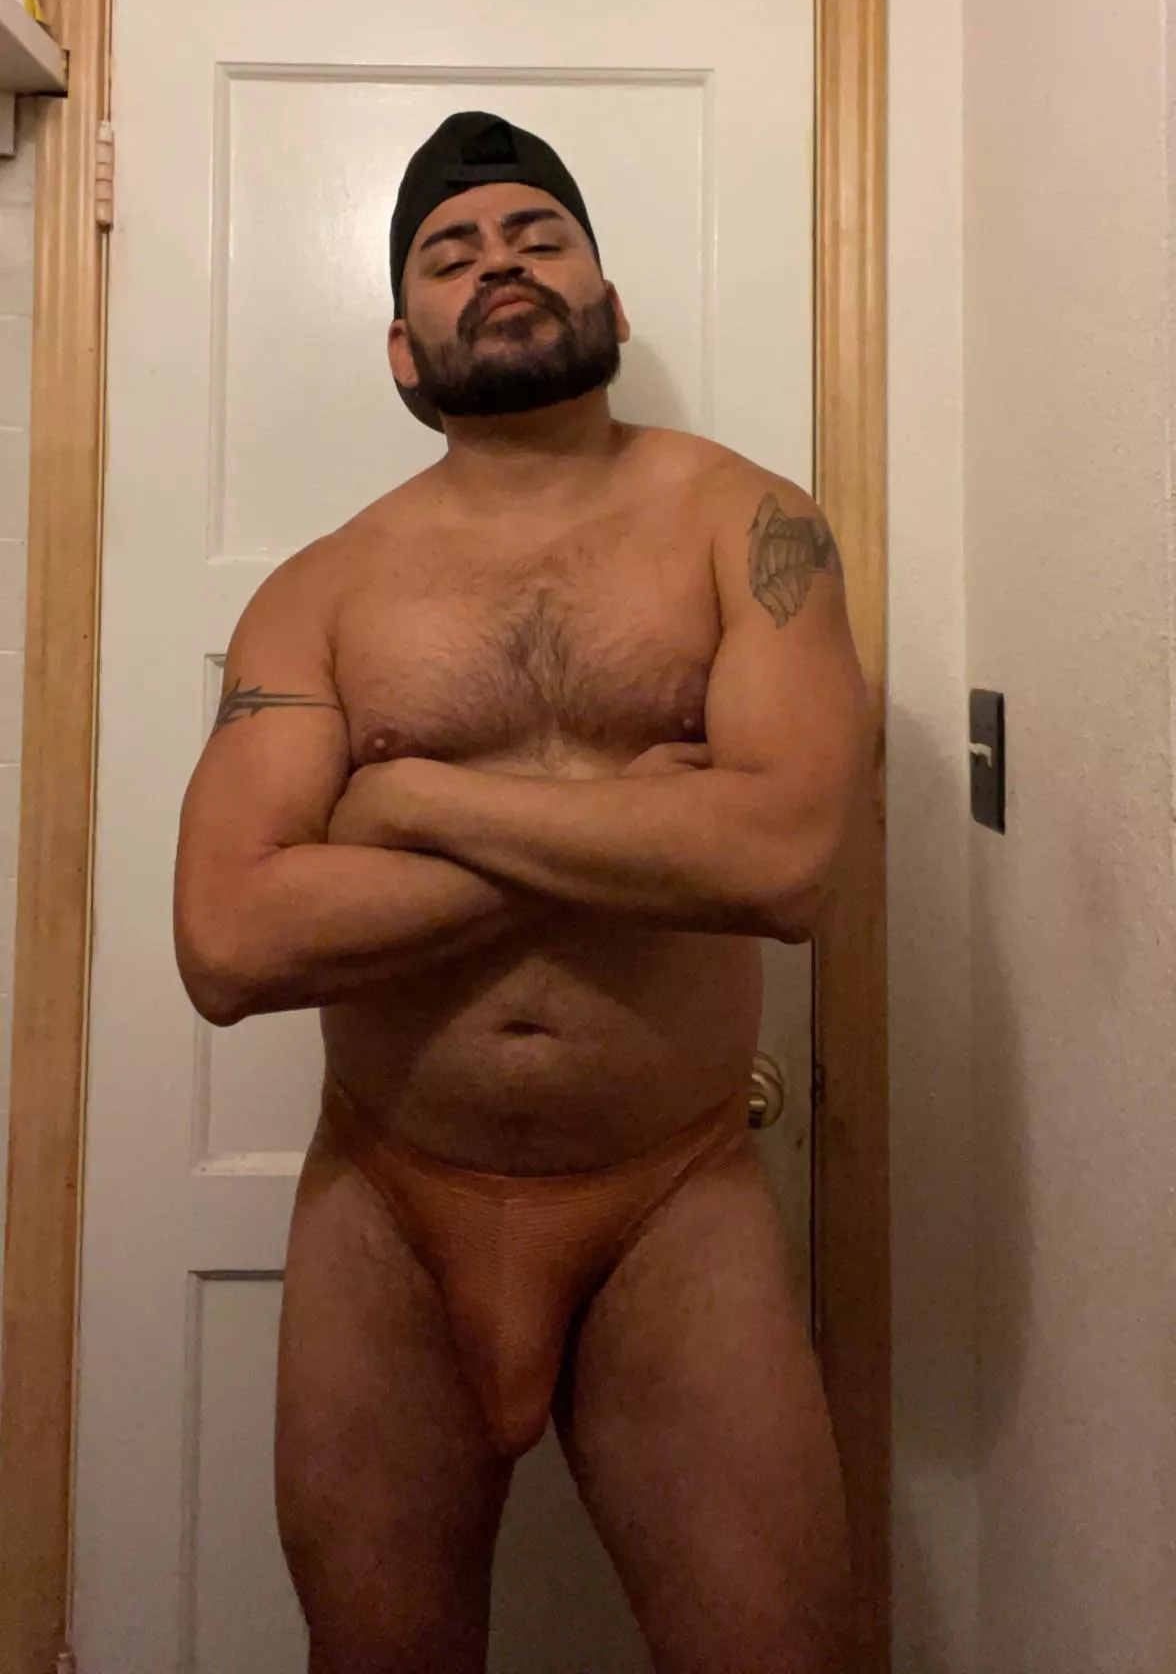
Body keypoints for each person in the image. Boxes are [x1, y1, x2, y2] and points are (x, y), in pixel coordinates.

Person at [174, 110, 869, 1674]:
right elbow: (226, 941)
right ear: (403, 353)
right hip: (388, 1201)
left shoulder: (750, 524)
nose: (500, 263)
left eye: (539, 236)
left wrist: (411, 802)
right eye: (452, 253)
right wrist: (643, 823)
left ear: (609, 302)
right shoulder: (320, 589)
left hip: (670, 1197)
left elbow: (791, 862)